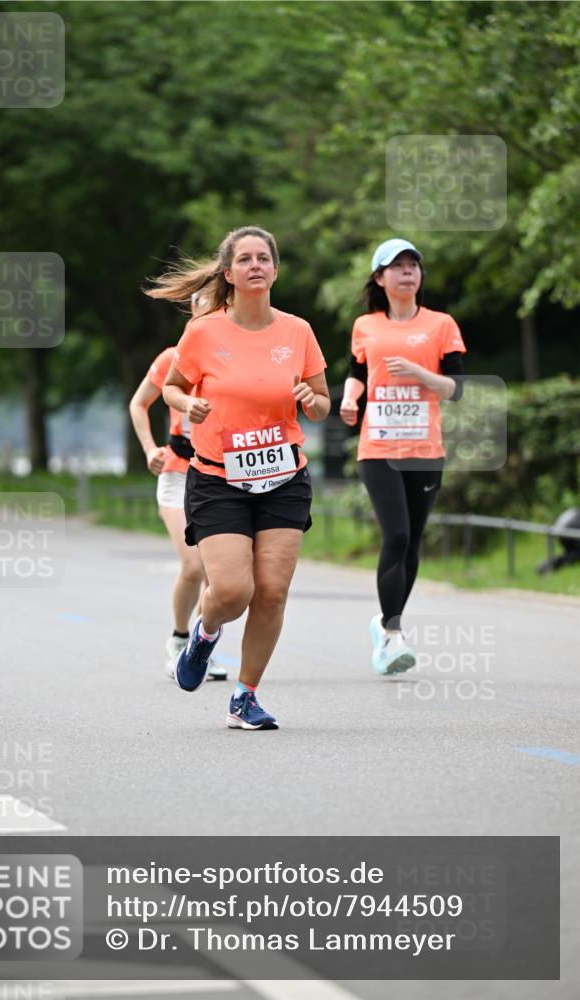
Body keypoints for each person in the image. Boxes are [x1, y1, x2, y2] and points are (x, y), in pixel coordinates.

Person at [147, 225, 330, 730]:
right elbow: (171, 388)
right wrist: (190, 403)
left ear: (274, 270)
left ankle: (245, 697)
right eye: (245, 259)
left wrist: (314, 402)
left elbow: (321, 402)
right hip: (217, 478)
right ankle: (204, 635)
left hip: (283, 476)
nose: (255, 265)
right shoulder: (204, 331)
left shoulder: (298, 331)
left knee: (271, 591)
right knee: (231, 592)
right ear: (228, 273)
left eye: (263, 258)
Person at [340, 238, 466, 675]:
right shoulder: (365, 327)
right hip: (377, 448)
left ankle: (384, 622)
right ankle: (393, 634)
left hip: (425, 449)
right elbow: (358, 373)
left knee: (412, 541)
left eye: (413, 265)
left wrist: (418, 373)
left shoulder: (440, 325)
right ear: (380, 278)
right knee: (395, 535)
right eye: (397, 266)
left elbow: (456, 388)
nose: (407, 272)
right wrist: (350, 400)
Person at [129, 294, 227, 681]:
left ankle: (201, 647)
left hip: (220, 473)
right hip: (177, 471)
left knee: (221, 574)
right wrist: (150, 448)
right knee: (193, 564)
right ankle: (178, 638)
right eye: (205, 306)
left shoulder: (234, 355)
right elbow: (139, 404)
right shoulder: (173, 356)